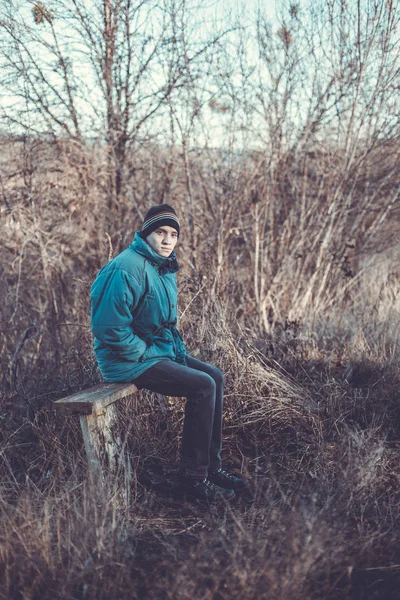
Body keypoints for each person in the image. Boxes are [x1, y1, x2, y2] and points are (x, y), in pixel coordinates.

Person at [90, 204, 249, 502]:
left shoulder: (161, 266)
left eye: (173, 234)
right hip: (125, 360)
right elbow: (108, 329)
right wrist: (146, 350)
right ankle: (192, 480)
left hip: (154, 352)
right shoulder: (126, 268)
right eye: (160, 232)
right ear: (146, 233)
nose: (166, 240)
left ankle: (210, 468)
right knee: (202, 386)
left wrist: (160, 349)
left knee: (214, 376)